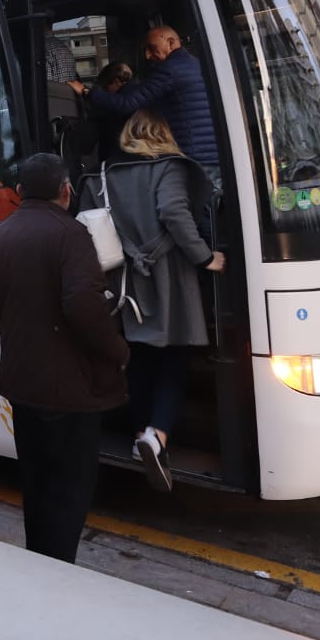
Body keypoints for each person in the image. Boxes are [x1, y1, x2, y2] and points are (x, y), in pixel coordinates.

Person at [0, 154, 129, 563]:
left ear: (19, 192)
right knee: (69, 491)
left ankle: (37, 565)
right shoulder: (71, 234)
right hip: (70, 389)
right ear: (65, 191)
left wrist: (22, 325)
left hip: (22, 383)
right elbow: (82, 306)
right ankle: (59, 574)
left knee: (36, 486)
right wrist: (117, 350)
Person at [100, 109, 225, 494]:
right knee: (174, 356)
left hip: (125, 279)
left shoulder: (106, 173)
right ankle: (157, 435)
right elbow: (173, 212)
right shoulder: (170, 167)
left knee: (139, 357)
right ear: (163, 132)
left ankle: (141, 433)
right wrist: (206, 256)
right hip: (167, 278)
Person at [68, 25, 218, 172]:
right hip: (211, 153)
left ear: (171, 43)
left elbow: (126, 104)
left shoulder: (170, 70)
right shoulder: (194, 64)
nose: (147, 55)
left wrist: (86, 91)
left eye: (152, 48)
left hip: (192, 156)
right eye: (145, 50)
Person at [91, 60, 135, 167]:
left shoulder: (116, 107)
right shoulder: (137, 95)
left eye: (106, 87)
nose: (105, 92)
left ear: (115, 82)